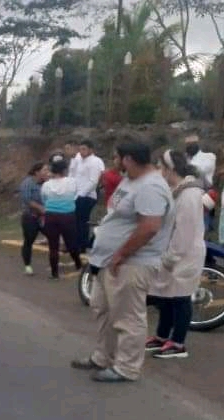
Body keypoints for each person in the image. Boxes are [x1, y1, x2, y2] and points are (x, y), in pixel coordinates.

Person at [71, 141, 174, 383]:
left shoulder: (151, 186)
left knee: (128, 317)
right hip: (109, 261)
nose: (114, 162)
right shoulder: (131, 179)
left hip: (132, 263)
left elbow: (149, 226)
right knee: (103, 309)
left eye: (117, 157)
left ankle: (126, 367)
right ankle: (103, 357)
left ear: (128, 159)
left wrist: (121, 254)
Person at [146, 149, 206, 360]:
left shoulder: (189, 194)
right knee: (167, 297)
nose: (159, 171)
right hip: (173, 252)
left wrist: (171, 256)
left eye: (162, 167)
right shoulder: (178, 190)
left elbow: (184, 231)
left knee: (180, 298)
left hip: (184, 254)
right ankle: (162, 337)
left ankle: (178, 343)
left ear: (171, 169)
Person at [39, 153, 84, 279]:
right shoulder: (71, 182)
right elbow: (76, 195)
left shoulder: (46, 185)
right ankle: (78, 265)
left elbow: (44, 199)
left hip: (51, 216)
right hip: (67, 216)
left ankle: (54, 273)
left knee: (53, 246)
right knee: (71, 243)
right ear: (65, 170)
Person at [73, 140, 106, 252]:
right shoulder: (79, 160)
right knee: (77, 221)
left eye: (84, 149)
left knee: (82, 221)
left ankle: (82, 246)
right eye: (80, 149)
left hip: (87, 196)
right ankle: (77, 244)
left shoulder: (95, 161)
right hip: (76, 194)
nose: (81, 152)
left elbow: (93, 181)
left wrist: (81, 195)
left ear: (91, 150)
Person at [19, 162, 50, 275]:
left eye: (48, 170)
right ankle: (27, 266)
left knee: (53, 237)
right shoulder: (27, 183)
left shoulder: (46, 184)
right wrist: (41, 208)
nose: (48, 173)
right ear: (37, 172)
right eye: (45, 170)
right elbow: (27, 200)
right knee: (29, 241)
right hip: (30, 217)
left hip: (43, 217)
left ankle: (54, 263)